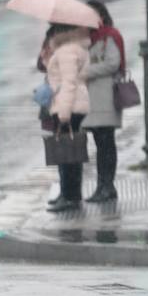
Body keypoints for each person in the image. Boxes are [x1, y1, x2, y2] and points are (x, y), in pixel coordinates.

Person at [41, 22, 92, 213]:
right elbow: (61, 77)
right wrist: (49, 61)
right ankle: (68, 194)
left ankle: (70, 196)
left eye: (53, 31)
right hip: (73, 104)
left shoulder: (67, 51)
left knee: (67, 154)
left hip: (68, 105)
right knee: (70, 152)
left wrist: (64, 113)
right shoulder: (71, 49)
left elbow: (69, 82)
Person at [84, 0, 125, 203]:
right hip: (93, 100)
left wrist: (86, 71)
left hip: (106, 97)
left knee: (106, 142)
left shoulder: (109, 36)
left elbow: (113, 63)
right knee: (100, 143)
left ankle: (107, 185)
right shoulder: (87, 38)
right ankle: (103, 186)